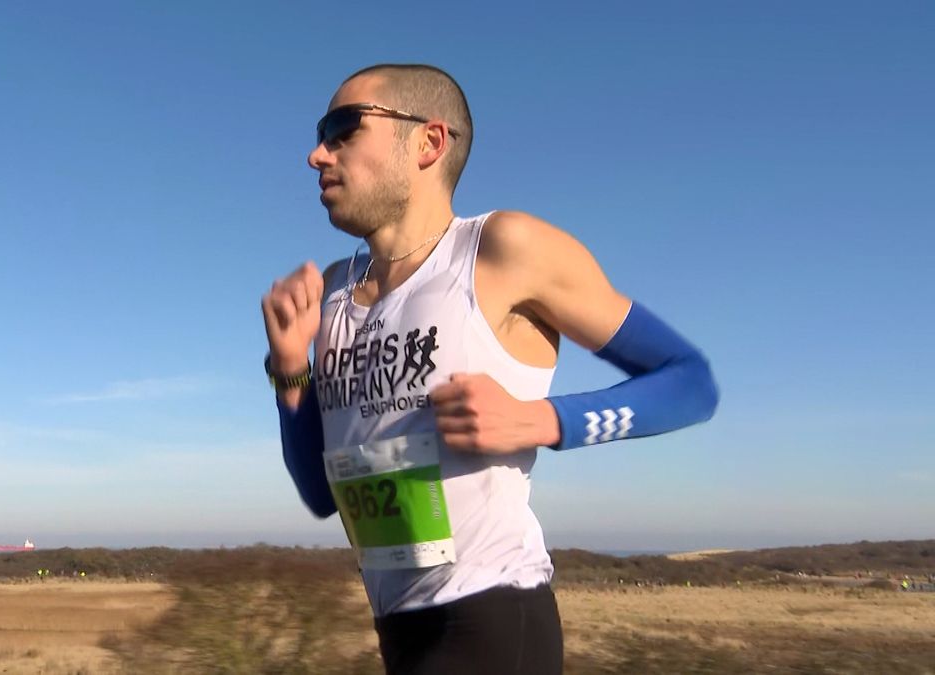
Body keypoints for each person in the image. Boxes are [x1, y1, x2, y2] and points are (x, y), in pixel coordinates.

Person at [261, 64, 718, 674]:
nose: (317, 154)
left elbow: (691, 382)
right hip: (397, 628)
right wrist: (291, 370)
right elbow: (322, 496)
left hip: (492, 615)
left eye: (343, 129)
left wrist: (541, 420)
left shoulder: (503, 250)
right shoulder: (333, 293)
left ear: (429, 142)